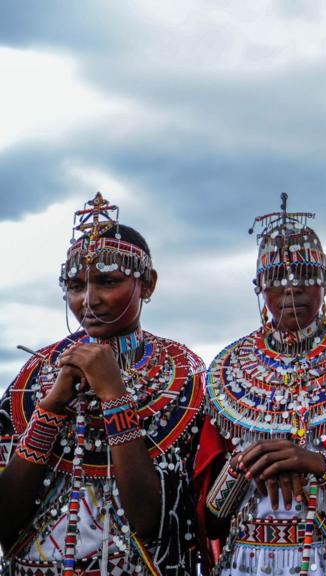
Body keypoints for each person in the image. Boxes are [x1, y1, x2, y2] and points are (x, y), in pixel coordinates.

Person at [0, 193, 205, 574]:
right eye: (76, 286)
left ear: (148, 284)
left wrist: (114, 396)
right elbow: (4, 520)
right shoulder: (32, 377)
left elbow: (150, 523)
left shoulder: (185, 378)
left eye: (107, 281)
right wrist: (51, 406)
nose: (89, 300)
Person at [195, 194, 326, 576]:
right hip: (245, 562)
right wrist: (247, 464)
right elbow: (208, 519)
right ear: (258, 287)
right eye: (276, 279)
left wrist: (316, 465)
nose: (290, 288)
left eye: (304, 275)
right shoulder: (228, 372)